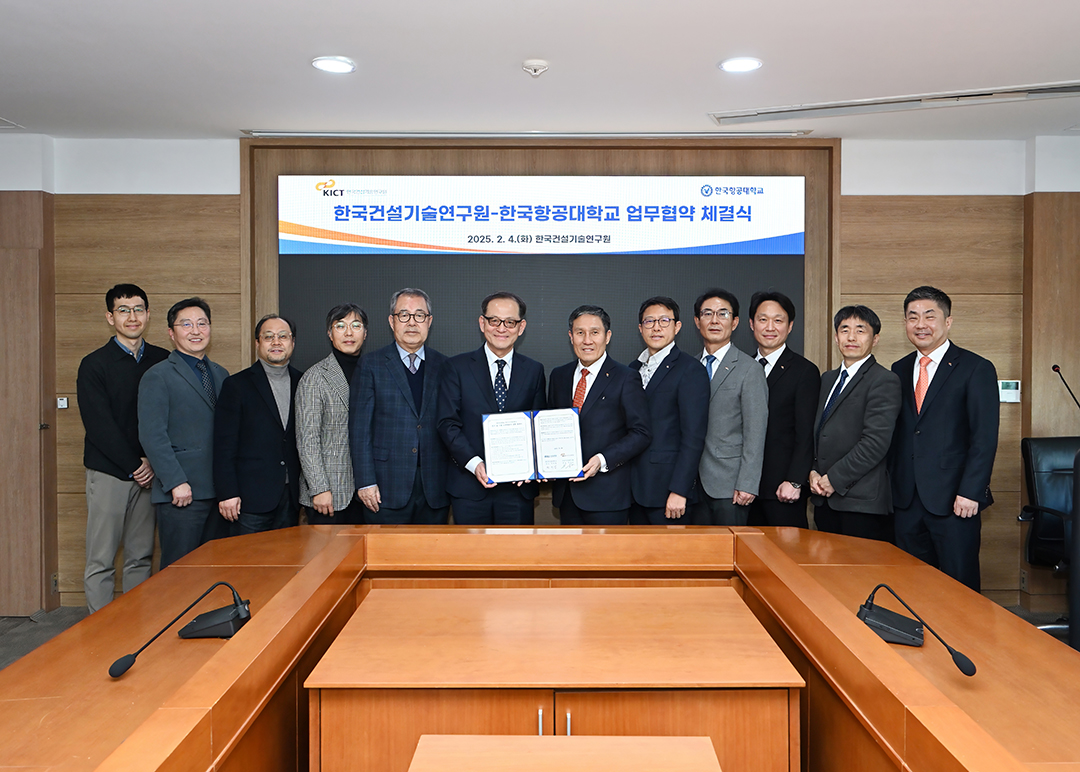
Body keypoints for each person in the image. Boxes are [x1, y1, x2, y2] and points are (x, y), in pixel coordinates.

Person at [890, 286, 999, 591]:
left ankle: (962, 641)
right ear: (905, 324)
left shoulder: (976, 367)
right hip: (907, 499)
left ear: (948, 321)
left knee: (958, 585)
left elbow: (984, 436)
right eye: (912, 317)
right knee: (910, 586)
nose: (920, 324)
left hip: (955, 500)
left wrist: (971, 491)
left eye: (929, 316)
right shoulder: (898, 369)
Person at [76, 283, 169, 612]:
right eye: (123, 310)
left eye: (138, 309)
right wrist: (135, 465)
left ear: (148, 315)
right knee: (101, 559)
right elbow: (99, 425)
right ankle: (100, 630)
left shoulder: (162, 360)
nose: (132, 317)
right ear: (110, 317)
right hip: (111, 473)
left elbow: (166, 418)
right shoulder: (94, 364)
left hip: (150, 473)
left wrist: (151, 463)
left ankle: (134, 627)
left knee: (140, 556)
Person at [437, 292, 547, 525]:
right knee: (471, 559)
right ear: (482, 323)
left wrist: (533, 466)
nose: (501, 328)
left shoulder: (534, 370)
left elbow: (538, 427)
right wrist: (475, 464)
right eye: (494, 320)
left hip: (518, 491)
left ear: (521, 326)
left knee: (516, 559)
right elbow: (447, 424)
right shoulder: (456, 367)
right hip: (469, 488)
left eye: (510, 322)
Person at [138, 298, 229, 568]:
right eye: (186, 324)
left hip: (219, 493)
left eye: (202, 323)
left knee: (214, 569)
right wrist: (176, 482)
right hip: (181, 493)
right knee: (179, 573)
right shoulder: (158, 376)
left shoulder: (221, 374)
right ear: (171, 332)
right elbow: (152, 435)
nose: (196, 331)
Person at [350, 288, 450, 524]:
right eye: (404, 315)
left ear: (429, 321)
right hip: (385, 487)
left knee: (431, 558)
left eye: (419, 315)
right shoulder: (371, 365)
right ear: (391, 321)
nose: (412, 322)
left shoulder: (445, 366)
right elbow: (359, 430)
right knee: (386, 559)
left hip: (434, 487)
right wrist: (365, 481)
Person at [548, 305, 651, 525]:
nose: (587, 340)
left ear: (607, 336)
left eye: (595, 332)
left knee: (605, 560)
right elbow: (549, 427)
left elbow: (640, 433)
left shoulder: (626, 377)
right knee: (570, 558)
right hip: (567, 495)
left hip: (608, 497)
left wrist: (602, 460)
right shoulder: (559, 376)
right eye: (580, 332)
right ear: (570, 336)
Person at [809, 305, 901, 541]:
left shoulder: (884, 380)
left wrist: (834, 479)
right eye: (844, 329)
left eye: (860, 330)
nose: (851, 337)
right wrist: (812, 470)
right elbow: (820, 433)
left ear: (875, 338)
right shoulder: (828, 379)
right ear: (836, 337)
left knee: (859, 575)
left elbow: (875, 443)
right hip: (825, 500)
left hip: (861, 504)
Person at [213, 314, 303, 535]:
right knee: (249, 566)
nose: (276, 342)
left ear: (292, 342)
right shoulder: (236, 385)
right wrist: (227, 493)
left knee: (287, 565)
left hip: (291, 497)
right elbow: (224, 446)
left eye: (283, 336)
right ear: (257, 343)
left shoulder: (304, 382)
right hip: (249, 499)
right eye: (268, 337)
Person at [628, 296, 709, 525]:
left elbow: (694, 436)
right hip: (633, 490)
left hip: (668, 492)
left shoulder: (690, 370)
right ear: (640, 328)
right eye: (649, 321)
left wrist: (680, 490)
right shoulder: (632, 369)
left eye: (664, 320)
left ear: (677, 326)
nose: (656, 327)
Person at [693, 288, 769, 526]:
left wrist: (747, 483)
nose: (714, 320)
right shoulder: (689, 367)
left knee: (727, 557)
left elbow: (756, 432)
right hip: (692, 485)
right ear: (697, 321)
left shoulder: (749, 369)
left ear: (735, 322)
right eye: (707, 314)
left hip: (730, 485)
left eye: (723, 314)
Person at [747, 291, 821, 528]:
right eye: (762, 319)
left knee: (787, 558)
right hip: (744, 489)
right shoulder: (742, 368)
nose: (770, 327)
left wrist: (795, 481)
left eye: (778, 320)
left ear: (790, 326)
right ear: (751, 324)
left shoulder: (804, 371)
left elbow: (806, 432)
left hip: (783, 489)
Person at [296, 303, 369, 525]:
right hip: (330, 493)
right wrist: (319, 488)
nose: (349, 332)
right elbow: (307, 440)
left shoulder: (374, 371)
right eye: (340, 326)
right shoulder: (314, 378)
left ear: (365, 333)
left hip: (368, 492)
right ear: (330, 333)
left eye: (356, 325)